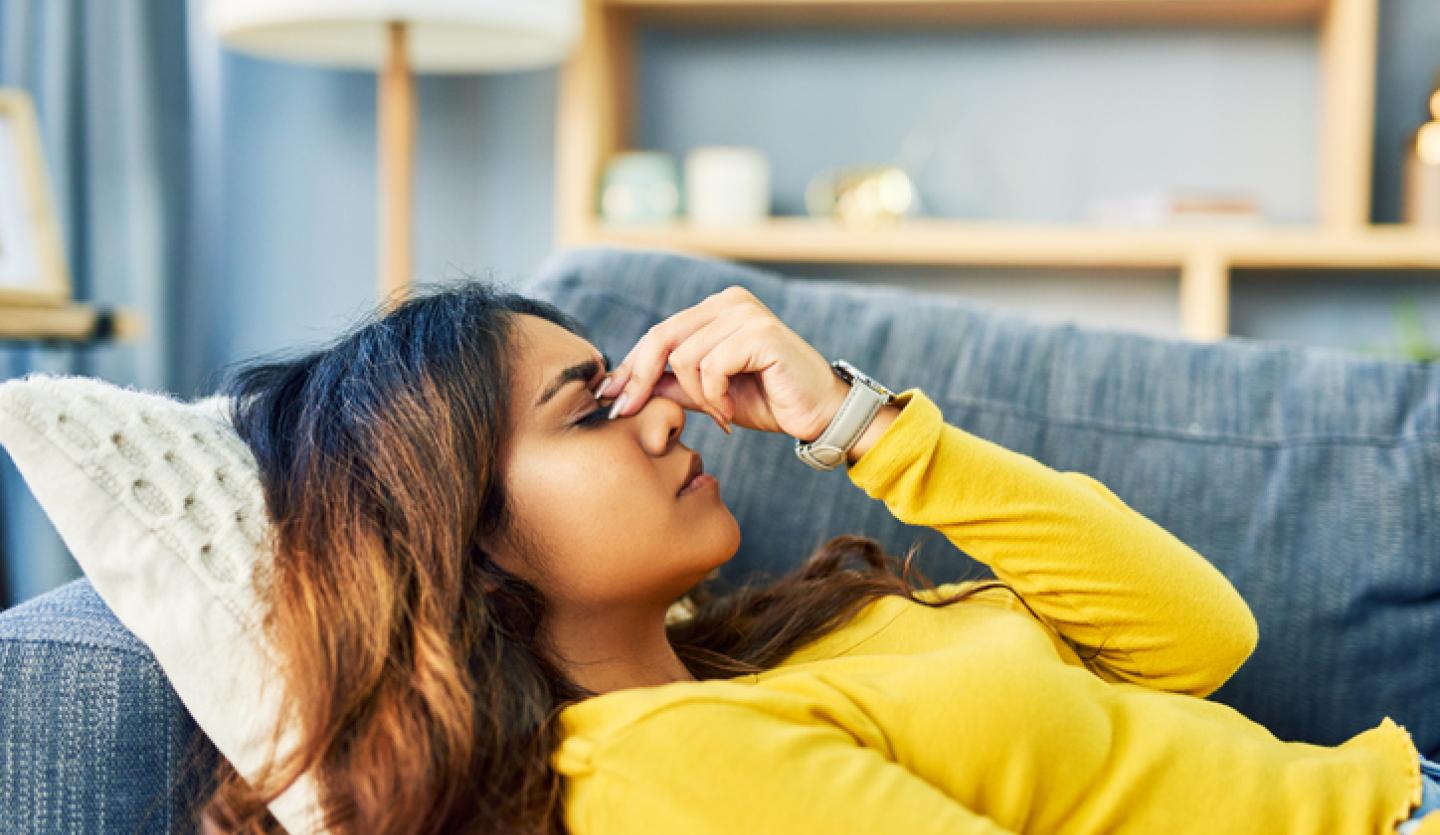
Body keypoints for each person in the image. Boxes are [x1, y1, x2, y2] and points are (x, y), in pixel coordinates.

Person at [200, 280, 1440, 834]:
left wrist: (863, 424)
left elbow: (1201, 637)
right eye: (592, 408)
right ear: (458, 538)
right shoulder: (648, 771)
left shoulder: (770, 636)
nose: (667, 411)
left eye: (635, 382)